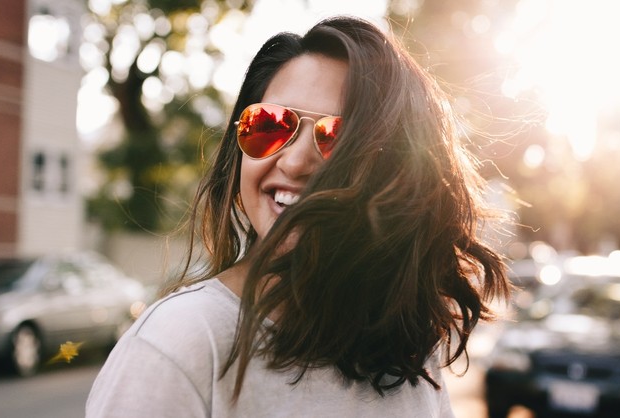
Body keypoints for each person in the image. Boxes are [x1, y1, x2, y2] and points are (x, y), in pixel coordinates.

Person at [86, 15, 510, 417]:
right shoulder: (178, 343)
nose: (294, 162)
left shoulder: (409, 352)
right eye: (270, 125)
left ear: (399, 175)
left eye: (339, 138)